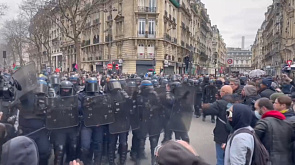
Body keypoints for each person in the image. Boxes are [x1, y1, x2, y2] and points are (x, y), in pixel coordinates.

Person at [254, 98, 294, 165]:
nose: (256, 111)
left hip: (269, 160)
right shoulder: (287, 123)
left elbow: (254, 140)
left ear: (263, 108)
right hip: (287, 161)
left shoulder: (264, 123)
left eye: (257, 108)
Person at [202, 85, 234, 165]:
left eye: (221, 91)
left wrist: (204, 106)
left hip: (222, 134)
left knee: (221, 158)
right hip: (234, 133)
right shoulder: (236, 101)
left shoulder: (220, 103)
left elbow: (208, 110)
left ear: (224, 93)